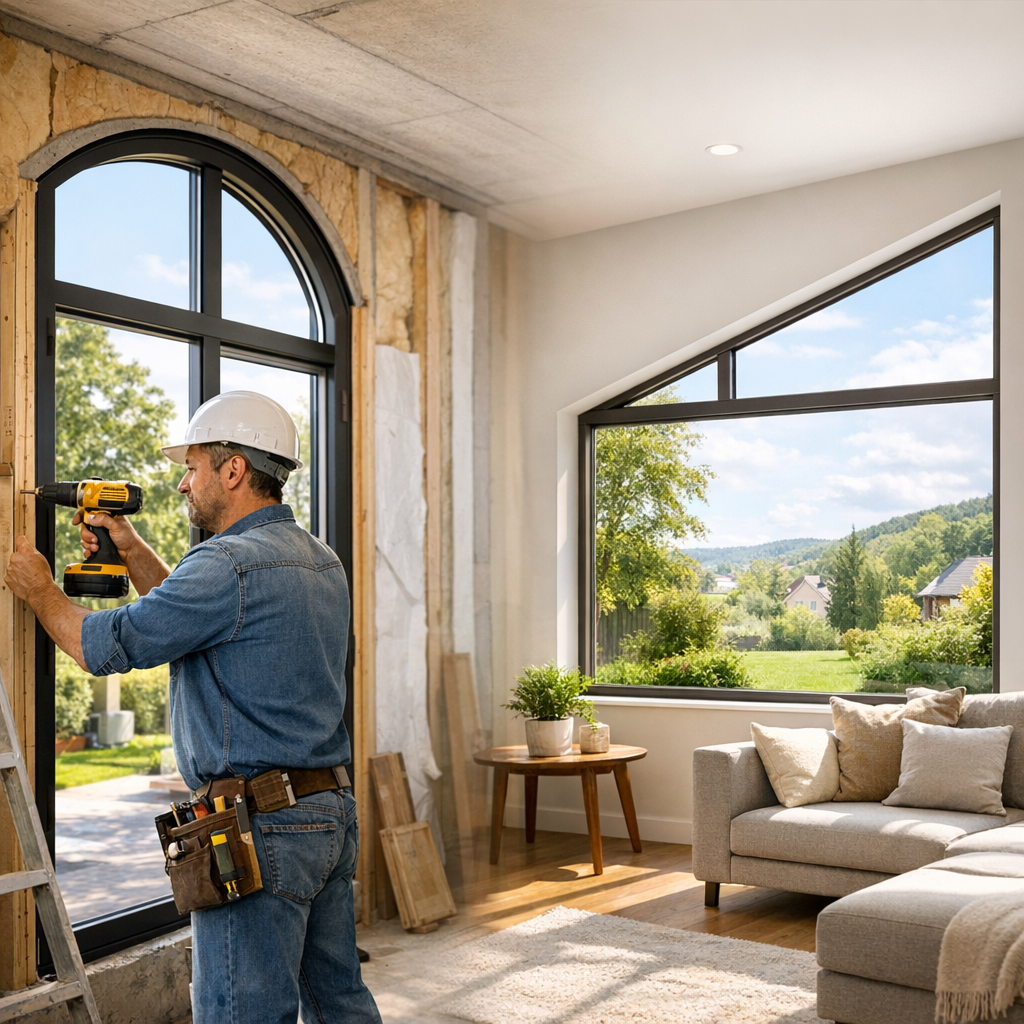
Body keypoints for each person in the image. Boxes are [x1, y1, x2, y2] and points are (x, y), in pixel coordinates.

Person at [6, 391, 381, 1024]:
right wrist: (128, 547)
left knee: (239, 1011)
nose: (183, 483)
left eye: (193, 466)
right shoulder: (321, 560)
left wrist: (40, 591)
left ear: (232, 470)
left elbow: (106, 645)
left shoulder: (226, 565)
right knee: (336, 1002)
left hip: (258, 828)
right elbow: (192, 614)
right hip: (327, 815)